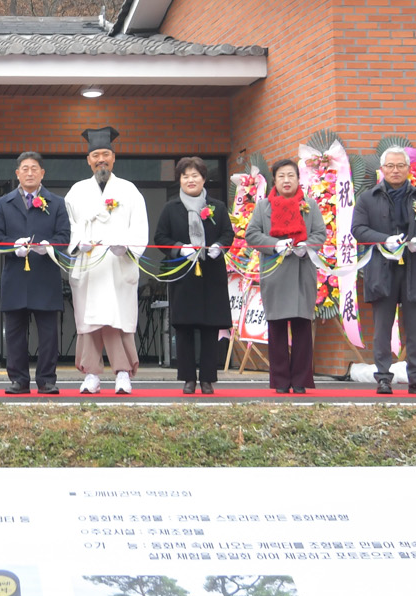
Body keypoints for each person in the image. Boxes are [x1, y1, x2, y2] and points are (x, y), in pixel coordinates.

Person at [350, 146, 416, 396]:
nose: (395, 170)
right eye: (390, 166)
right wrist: (384, 240)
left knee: (415, 328)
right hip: (381, 269)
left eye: (400, 165)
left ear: (408, 169)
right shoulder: (367, 198)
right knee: (382, 328)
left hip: (414, 268)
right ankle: (383, 378)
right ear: (382, 169)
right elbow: (358, 229)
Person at [64, 127, 148, 395]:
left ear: (114, 158)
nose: (101, 160)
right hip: (89, 266)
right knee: (89, 322)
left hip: (117, 266)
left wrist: (128, 248)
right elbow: (69, 225)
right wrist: (77, 242)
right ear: (88, 160)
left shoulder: (129, 190)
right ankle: (91, 374)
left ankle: (123, 373)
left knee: (117, 320)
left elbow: (140, 226)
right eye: (96, 155)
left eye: (106, 154)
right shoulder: (77, 191)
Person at [0, 151, 72, 394]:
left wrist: (49, 246)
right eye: (25, 169)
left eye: (34, 168)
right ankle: (19, 380)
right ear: (17, 173)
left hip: (45, 275)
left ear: (42, 173)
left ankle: (47, 380)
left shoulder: (56, 202)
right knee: (14, 333)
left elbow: (64, 235)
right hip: (15, 275)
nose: (30, 173)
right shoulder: (5, 202)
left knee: (48, 333)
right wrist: (13, 246)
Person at [152, 157, 235, 395]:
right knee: (184, 328)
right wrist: (180, 248)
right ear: (179, 180)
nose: (190, 180)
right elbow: (160, 238)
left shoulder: (217, 206)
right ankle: (188, 378)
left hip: (211, 273)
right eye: (185, 176)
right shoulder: (171, 208)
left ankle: (208, 379)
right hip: (184, 274)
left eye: (195, 175)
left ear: (203, 178)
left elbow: (228, 234)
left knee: (210, 328)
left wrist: (219, 246)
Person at [246, 159, 327, 394]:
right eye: (281, 176)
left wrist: (307, 246)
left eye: (291, 175)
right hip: (275, 273)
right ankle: (280, 381)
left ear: (298, 179)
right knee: (277, 328)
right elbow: (252, 235)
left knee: (302, 327)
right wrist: (275, 244)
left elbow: (320, 233)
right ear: (274, 180)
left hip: (302, 271)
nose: (286, 180)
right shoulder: (263, 207)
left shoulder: (310, 205)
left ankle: (300, 380)